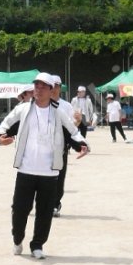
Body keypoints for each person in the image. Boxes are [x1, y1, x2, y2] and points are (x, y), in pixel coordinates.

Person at [0, 72, 89, 259]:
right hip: (26, 169)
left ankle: (37, 245)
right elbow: (6, 125)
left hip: (49, 172)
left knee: (45, 211)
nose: (38, 89)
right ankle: (17, 239)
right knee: (20, 209)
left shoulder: (58, 112)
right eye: (36, 86)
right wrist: (0, 138)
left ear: (51, 90)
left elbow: (72, 132)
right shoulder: (23, 109)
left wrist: (83, 145)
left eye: (42, 87)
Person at [50, 75, 74, 217]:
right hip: (41, 147)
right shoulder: (39, 104)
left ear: (60, 88)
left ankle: (55, 204)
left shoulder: (66, 106)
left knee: (59, 176)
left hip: (60, 146)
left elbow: (71, 127)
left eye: (56, 86)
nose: (53, 89)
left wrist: (76, 122)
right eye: (50, 87)